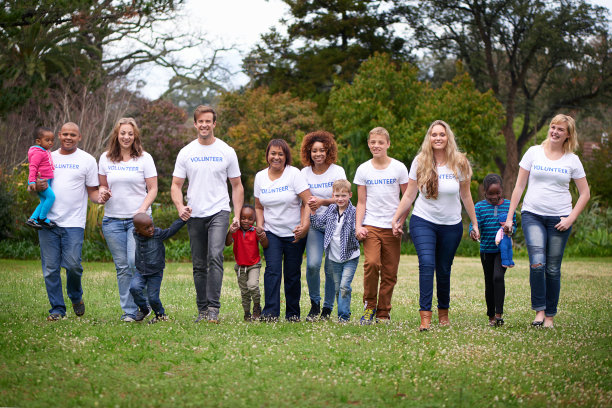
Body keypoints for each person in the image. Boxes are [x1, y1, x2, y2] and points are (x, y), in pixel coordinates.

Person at [391, 120, 479, 331]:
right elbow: (410, 193)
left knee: (443, 269)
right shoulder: (420, 161)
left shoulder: (460, 162)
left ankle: (444, 314)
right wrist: (396, 218)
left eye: (442, 134)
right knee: (427, 264)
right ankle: (425, 317)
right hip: (423, 221)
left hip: (451, 224)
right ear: (428, 138)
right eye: (434, 134)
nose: (438, 138)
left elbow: (465, 195)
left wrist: (474, 223)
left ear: (448, 137)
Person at [504, 114, 590, 328]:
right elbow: (519, 187)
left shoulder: (572, 160)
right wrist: (509, 216)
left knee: (552, 268)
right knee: (537, 263)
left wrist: (570, 219)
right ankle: (539, 312)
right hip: (532, 214)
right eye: (553, 127)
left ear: (568, 135)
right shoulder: (534, 153)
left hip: (559, 219)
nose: (555, 131)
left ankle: (550, 316)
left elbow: (585, 193)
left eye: (560, 129)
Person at [172, 105, 244, 324]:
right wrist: (179, 206)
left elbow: (237, 185)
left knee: (215, 256)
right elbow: (176, 185)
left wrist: (237, 215)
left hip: (219, 211)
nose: (204, 125)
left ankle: (213, 308)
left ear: (214, 124)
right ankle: (202, 309)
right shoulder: (186, 152)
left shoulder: (226, 151)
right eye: (200, 121)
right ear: (195, 124)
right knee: (198, 263)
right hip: (194, 213)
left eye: (208, 121)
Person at [35, 122, 109, 320]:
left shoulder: (87, 160)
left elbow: (92, 191)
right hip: (47, 221)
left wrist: (100, 198)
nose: (68, 137)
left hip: (74, 223)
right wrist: (36, 186)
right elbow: (33, 185)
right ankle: (57, 309)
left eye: (73, 135)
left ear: (79, 137)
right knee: (50, 269)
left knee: (73, 265)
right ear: (59, 135)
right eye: (65, 134)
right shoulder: (47, 156)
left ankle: (76, 296)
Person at [99, 117, 158, 322]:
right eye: (123, 133)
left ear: (135, 136)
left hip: (138, 222)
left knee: (136, 263)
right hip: (112, 221)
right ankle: (129, 312)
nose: (126, 137)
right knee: (123, 267)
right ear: (116, 134)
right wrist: (103, 194)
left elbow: (153, 189)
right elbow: (102, 187)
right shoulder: (106, 158)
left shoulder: (144, 158)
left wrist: (141, 211)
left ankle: (146, 305)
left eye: (130, 134)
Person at [354, 127, 408, 324]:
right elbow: (361, 202)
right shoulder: (363, 169)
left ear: (388, 144)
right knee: (372, 263)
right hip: (371, 226)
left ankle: (383, 312)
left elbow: (407, 198)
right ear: (369, 144)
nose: (376, 145)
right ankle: (369, 306)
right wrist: (358, 226)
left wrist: (400, 222)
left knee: (389, 271)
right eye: (373, 142)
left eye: (380, 142)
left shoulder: (399, 168)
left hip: (392, 227)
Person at [254, 139, 311, 321]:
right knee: (272, 271)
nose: (276, 157)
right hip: (271, 233)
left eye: (280, 154)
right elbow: (259, 206)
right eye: (273, 153)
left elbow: (308, 202)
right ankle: (270, 312)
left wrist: (304, 226)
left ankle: (293, 313)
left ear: (286, 156)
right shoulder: (260, 177)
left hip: (294, 233)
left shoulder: (294, 174)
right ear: (267, 155)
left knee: (292, 273)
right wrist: (261, 225)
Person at [300, 131, 347, 321]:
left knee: (330, 268)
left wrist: (322, 201)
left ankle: (327, 309)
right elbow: (303, 202)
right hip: (314, 225)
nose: (318, 154)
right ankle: (314, 304)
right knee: (312, 265)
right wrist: (304, 223)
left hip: (334, 225)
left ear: (328, 151)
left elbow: (342, 199)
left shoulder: (337, 171)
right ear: (308, 152)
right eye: (314, 151)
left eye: (322, 150)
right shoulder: (303, 173)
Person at [309, 180, 360, 322]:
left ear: (350, 195)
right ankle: (345, 312)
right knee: (337, 288)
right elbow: (318, 224)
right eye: (337, 195)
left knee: (344, 286)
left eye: (343, 195)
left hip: (350, 255)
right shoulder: (331, 209)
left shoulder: (354, 212)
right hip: (334, 257)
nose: (340, 199)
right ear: (333, 195)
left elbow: (359, 228)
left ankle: (343, 317)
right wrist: (313, 211)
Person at [469, 173, 515, 327]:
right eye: (490, 194)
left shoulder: (509, 205)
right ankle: (491, 316)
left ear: (502, 189)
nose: (495, 197)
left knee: (497, 277)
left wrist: (509, 228)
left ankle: (499, 314)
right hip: (486, 251)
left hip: (502, 250)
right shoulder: (479, 207)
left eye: (497, 193)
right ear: (485, 193)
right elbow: (474, 224)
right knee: (489, 283)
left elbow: (513, 223)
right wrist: (473, 232)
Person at [130, 213, 186, 324]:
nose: (151, 229)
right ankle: (144, 309)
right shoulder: (135, 234)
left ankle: (160, 315)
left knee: (153, 298)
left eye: (152, 225)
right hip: (140, 271)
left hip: (155, 272)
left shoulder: (158, 234)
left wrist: (183, 220)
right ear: (138, 231)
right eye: (146, 228)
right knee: (134, 288)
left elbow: (171, 230)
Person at [225, 205, 269, 321]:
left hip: (254, 264)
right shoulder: (236, 231)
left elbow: (265, 245)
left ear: (254, 220)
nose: (246, 221)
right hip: (240, 266)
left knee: (252, 285)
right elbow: (227, 243)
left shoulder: (255, 231)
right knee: (244, 291)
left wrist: (263, 237)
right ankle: (247, 313)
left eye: (250, 218)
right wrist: (230, 231)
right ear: (239, 218)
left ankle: (257, 306)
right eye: (243, 218)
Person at [26, 127, 56, 229]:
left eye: (52, 140)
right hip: (42, 181)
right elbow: (33, 166)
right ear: (38, 141)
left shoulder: (45, 151)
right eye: (47, 140)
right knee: (51, 197)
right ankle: (42, 218)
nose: (50, 143)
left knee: (44, 201)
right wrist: (32, 182)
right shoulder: (38, 152)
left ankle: (32, 219)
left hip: (48, 178)